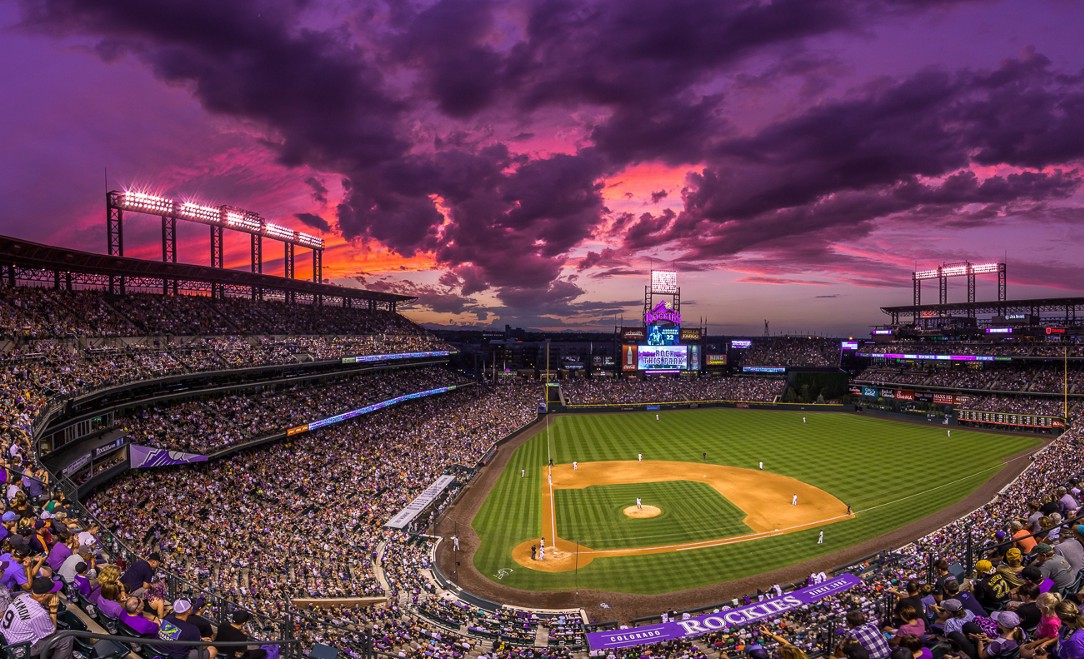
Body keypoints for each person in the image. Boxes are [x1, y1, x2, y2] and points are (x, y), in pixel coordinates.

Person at [0, 576, 71, 659]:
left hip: (6, 638)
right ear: (44, 595)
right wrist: (53, 610)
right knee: (66, 638)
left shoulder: (22, 597)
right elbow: (51, 633)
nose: (55, 594)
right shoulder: (39, 613)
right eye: (53, 592)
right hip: (19, 648)